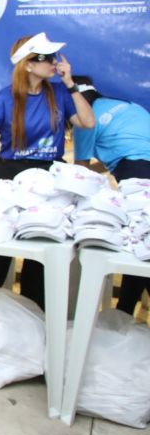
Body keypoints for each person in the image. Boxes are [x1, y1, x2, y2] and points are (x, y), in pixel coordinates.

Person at [0, 33, 95, 309]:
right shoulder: (3, 99)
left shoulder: (59, 92)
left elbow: (87, 121)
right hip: (10, 176)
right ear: (28, 64)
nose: (53, 63)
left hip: (48, 178)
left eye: (52, 57)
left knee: (39, 252)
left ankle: (33, 316)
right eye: (45, 58)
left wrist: (70, 83)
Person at [71, 75, 150, 316]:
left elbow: (80, 173)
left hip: (138, 174)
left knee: (139, 248)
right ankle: (123, 313)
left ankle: (123, 315)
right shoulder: (126, 105)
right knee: (142, 249)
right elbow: (128, 146)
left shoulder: (85, 120)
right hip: (140, 167)